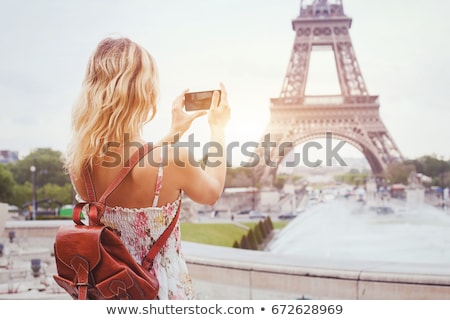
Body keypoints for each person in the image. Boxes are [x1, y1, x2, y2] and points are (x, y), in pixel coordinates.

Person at [64, 37, 230, 299]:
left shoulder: (79, 161)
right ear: (145, 92)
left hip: (106, 291)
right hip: (158, 290)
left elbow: (128, 168)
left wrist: (173, 133)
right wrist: (218, 128)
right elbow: (211, 192)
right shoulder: (173, 159)